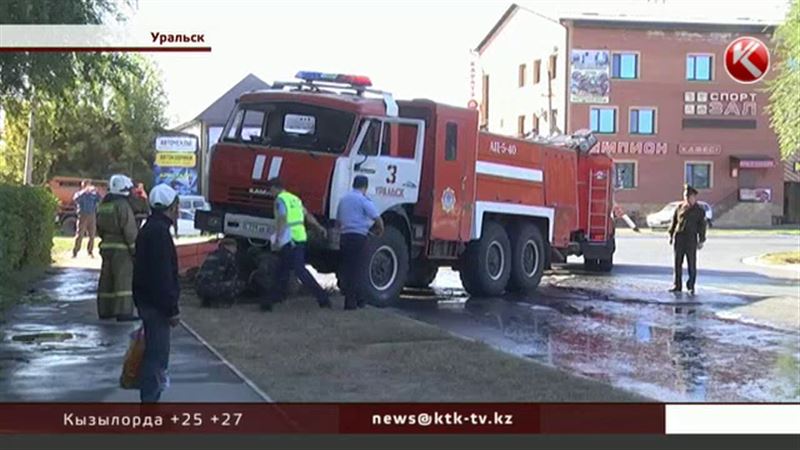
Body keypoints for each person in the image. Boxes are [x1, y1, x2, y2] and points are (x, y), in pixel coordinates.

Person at [133, 184, 181, 403]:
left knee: (153, 356)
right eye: (177, 206)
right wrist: (171, 309)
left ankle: (150, 405)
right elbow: (163, 276)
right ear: (171, 207)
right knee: (157, 358)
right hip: (157, 307)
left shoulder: (149, 228)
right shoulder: (160, 233)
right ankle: (150, 410)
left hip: (147, 302)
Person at [261, 178, 331, 311]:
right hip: (299, 237)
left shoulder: (280, 200)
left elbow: (282, 218)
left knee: (298, 270)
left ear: (275, 188)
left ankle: (323, 298)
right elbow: (307, 215)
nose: (270, 193)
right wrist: (318, 227)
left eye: (270, 190)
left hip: (289, 239)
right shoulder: (295, 199)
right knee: (282, 270)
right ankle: (270, 301)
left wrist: (278, 238)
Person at [336, 175, 384, 310]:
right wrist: (380, 231)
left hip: (345, 237)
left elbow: (338, 221)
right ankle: (357, 301)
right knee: (359, 269)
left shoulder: (343, 200)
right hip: (359, 238)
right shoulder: (364, 200)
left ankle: (350, 299)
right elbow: (377, 218)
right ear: (365, 187)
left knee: (347, 268)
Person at [96, 174, 139, 321]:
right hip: (121, 249)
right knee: (123, 280)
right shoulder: (123, 206)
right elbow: (130, 230)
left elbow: (99, 228)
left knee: (106, 280)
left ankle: (105, 310)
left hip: (106, 246)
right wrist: (135, 251)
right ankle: (123, 312)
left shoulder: (104, 205)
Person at [668, 185, 707, 295]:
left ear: (694, 197)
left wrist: (701, 240)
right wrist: (671, 235)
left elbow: (702, 226)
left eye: (689, 196)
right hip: (679, 238)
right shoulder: (679, 207)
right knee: (677, 263)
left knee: (691, 263)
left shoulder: (699, 210)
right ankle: (677, 285)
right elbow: (674, 222)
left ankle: (691, 286)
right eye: (685, 196)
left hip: (691, 239)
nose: (687, 198)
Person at [194, 238, 245, 308]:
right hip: (214, 288)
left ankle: (207, 300)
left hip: (200, 288)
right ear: (230, 246)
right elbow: (233, 275)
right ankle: (222, 302)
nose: (236, 250)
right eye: (235, 247)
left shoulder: (211, 254)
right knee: (240, 284)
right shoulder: (229, 256)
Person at [72, 179, 102, 258]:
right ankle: (75, 252)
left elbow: (100, 199)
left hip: (92, 215)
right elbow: (76, 199)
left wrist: (96, 192)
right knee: (80, 234)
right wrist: (84, 191)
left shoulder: (93, 194)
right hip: (82, 215)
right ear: (83, 186)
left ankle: (90, 251)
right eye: (86, 185)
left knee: (92, 235)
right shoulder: (80, 193)